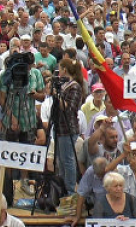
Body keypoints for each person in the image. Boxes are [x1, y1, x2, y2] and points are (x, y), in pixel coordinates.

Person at [52, 58, 84, 195]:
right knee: (61, 160)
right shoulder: (65, 85)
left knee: (68, 160)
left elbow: (69, 108)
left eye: (60, 68)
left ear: (64, 69)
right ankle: (63, 189)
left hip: (68, 127)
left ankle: (70, 190)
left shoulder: (74, 86)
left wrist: (57, 95)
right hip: (59, 126)